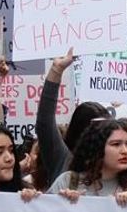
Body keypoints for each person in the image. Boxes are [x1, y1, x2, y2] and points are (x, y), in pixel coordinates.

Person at [39, 50, 112, 185]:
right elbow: (44, 122)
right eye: (97, 131)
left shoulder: (118, 167)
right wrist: (56, 70)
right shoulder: (62, 159)